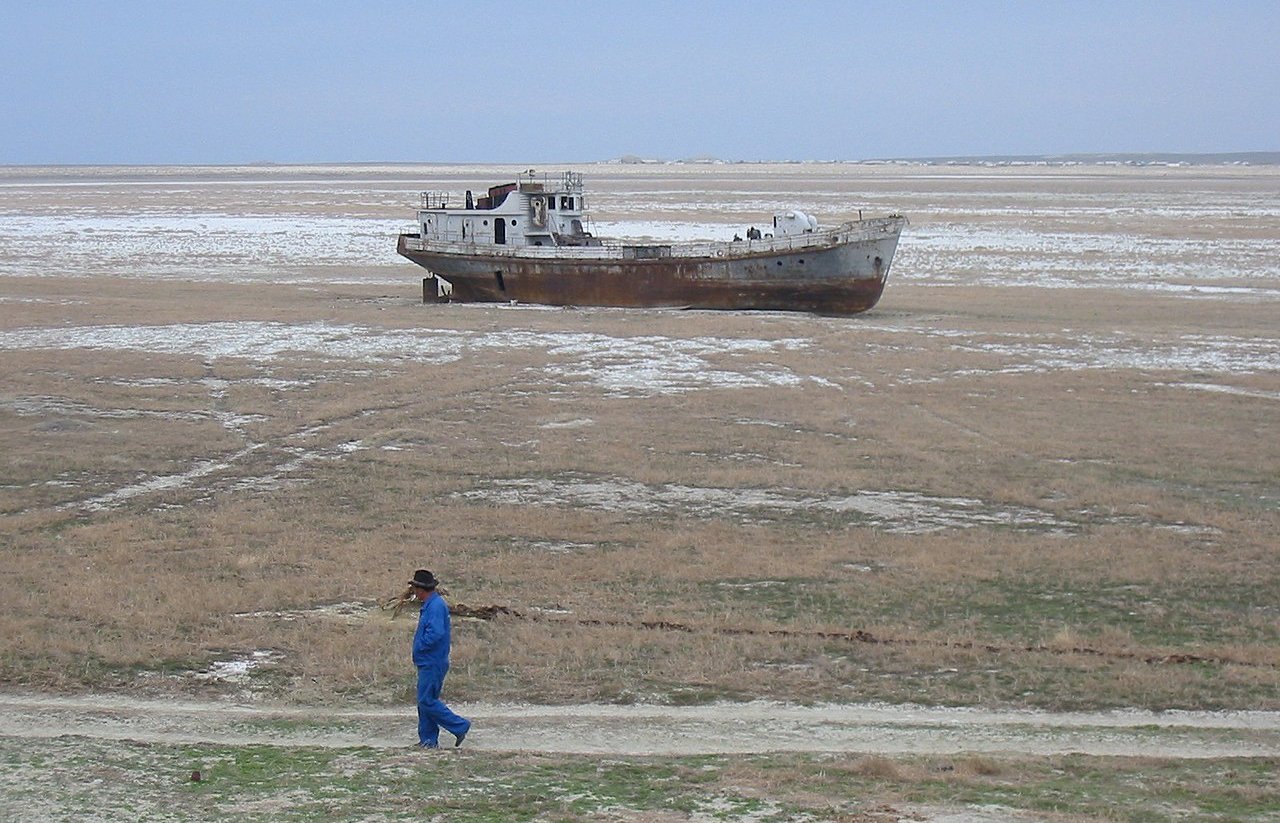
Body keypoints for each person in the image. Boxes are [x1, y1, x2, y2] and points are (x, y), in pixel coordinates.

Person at [408, 569, 471, 749]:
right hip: (429, 661)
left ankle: (460, 726)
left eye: (415, 588)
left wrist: (420, 646)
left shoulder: (435, 606)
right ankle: (428, 740)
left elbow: (436, 633)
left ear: (422, 589)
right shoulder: (432, 604)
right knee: (425, 700)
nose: (413, 592)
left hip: (432, 661)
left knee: (426, 700)